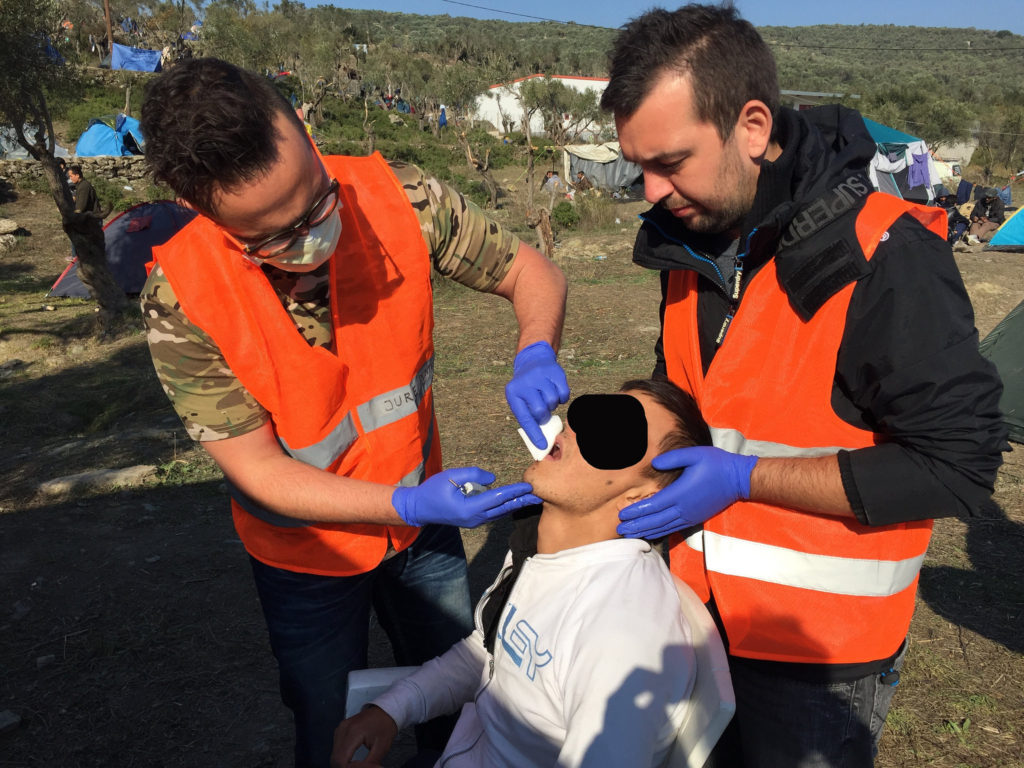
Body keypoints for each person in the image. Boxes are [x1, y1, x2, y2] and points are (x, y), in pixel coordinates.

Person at [600, 6, 1007, 767]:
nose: (651, 190)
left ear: (752, 127)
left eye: (671, 161)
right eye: (638, 166)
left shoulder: (886, 252)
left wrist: (746, 478)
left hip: (819, 661)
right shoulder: (690, 243)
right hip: (692, 620)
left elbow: (958, 465)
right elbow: (690, 398)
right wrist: (599, 456)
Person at [138, 58, 570, 768]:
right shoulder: (181, 299)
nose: (313, 238)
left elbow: (534, 272)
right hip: (306, 555)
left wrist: (534, 349)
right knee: (327, 718)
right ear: (199, 205)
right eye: (274, 239)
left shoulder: (399, 196)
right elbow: (259, 470)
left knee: (457, 699)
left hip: (423, 531)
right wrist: (401, 499)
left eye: (317, 201)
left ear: (303, 128)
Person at [332, 378, 712, 768]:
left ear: (643, 495)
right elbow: (491, 649)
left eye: (611, 432)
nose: (572, 427)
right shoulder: (543, 548)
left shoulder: (622, 637)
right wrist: (392, 709)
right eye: (589, 412)